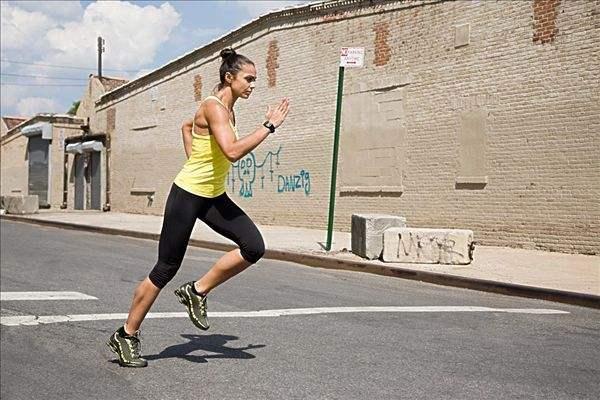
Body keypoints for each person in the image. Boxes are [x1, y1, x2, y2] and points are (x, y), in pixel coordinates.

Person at [107, 48, 290, 368]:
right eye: (248, 79)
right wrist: (268, 126)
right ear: (229, 77)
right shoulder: (214, 108)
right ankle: (126, 334)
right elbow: (232, 151)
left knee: (253, 246)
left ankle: (197, 291)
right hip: (188, 196)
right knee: (165, 268)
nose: (252, 85)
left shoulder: (228, 111)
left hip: (212, 196)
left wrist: (197, 157)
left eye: (255, 80)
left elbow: (185, 127)